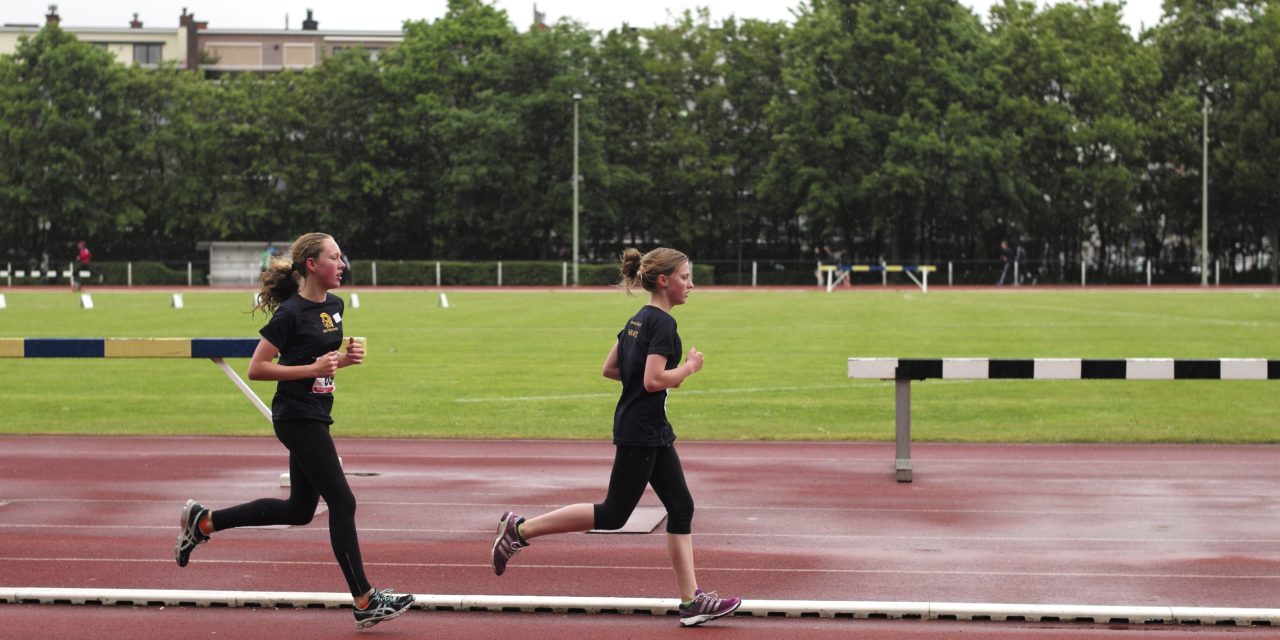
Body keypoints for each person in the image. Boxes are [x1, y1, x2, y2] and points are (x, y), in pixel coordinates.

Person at [490, 247, 742, 628]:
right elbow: (653, 380)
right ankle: (520, 529)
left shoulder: (637, 319)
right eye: (685, 277)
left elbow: (611, 368)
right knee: (613, 513)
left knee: (681, 507)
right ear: (664, 281)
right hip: (641, 432)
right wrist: (689, 367)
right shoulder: (662, 324)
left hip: (649, 429)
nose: (691, 285)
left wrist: (646, 377)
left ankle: (691, 601)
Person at [173, 232, 413, 630]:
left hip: (316, 412)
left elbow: (316, 359)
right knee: (343, 501)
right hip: (295, 417)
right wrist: (314, 370)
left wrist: (343, 361)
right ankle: (365, 600)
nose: (342, 264)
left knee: (300, 511)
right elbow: (258, 367)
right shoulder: (289, 313)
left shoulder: (334, 306)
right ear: (312, 266)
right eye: (335, 258)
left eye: (342, 258)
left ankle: (203, 521)